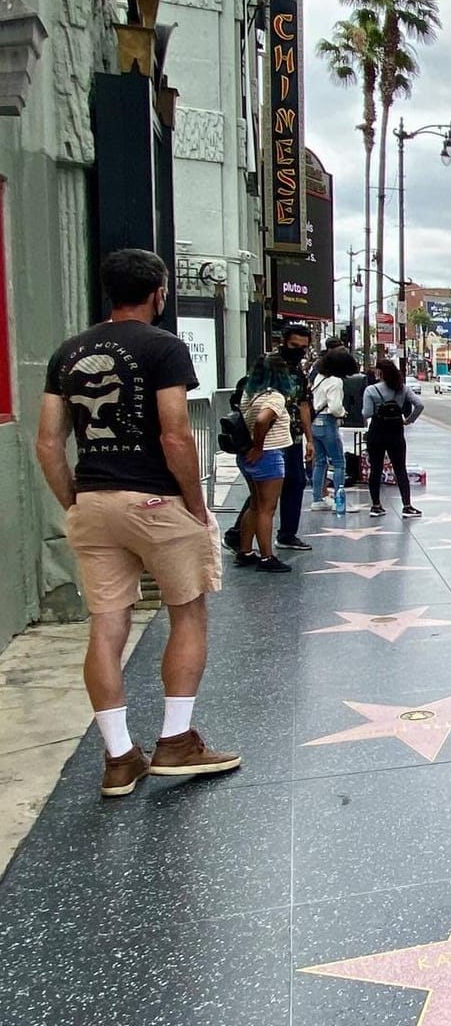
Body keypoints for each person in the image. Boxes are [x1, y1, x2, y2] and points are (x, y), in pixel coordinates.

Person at [35, 248, 238, 796]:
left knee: (107, 624)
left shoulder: (68, 352)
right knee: (188, 613)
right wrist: (196, 505)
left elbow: (49, 442)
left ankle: (120, 757)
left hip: (94, 500)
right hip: (155, 501)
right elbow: (175, 433)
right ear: (158, 292)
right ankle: (175, 741)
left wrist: (74, 501)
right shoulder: (164, 348)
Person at [221, 323, 314, 554]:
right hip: (269, 439)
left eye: (304, 347)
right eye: (295, 345)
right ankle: (242, 539)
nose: (299, 351)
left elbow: (303, 403)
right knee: (263, 494)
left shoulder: (298, 371)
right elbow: (259, 410)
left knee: (293, 482)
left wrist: (309, 439)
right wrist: (259, 444)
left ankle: (285, 535)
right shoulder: (268, 365)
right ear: (283, 341)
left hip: (290, 436)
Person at [363, 358, 425, 518]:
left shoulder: (371, 390)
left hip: (377, 430)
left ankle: (376, 505)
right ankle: (407, 505)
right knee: (400, 468)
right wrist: (408, 420)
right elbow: (419, 405)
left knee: (375, 469)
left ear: (380, 372)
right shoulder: (401, 388)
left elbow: (366, 413)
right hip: (396, 431)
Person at [309, 348, 358, 511]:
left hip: (315, 422)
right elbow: (335, 407)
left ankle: (317, 499)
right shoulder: (336, 382)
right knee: (338, 462)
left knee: (320, 462)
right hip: (328, 422)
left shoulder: (319, 377)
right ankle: (340, 501)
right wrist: (343, 413)